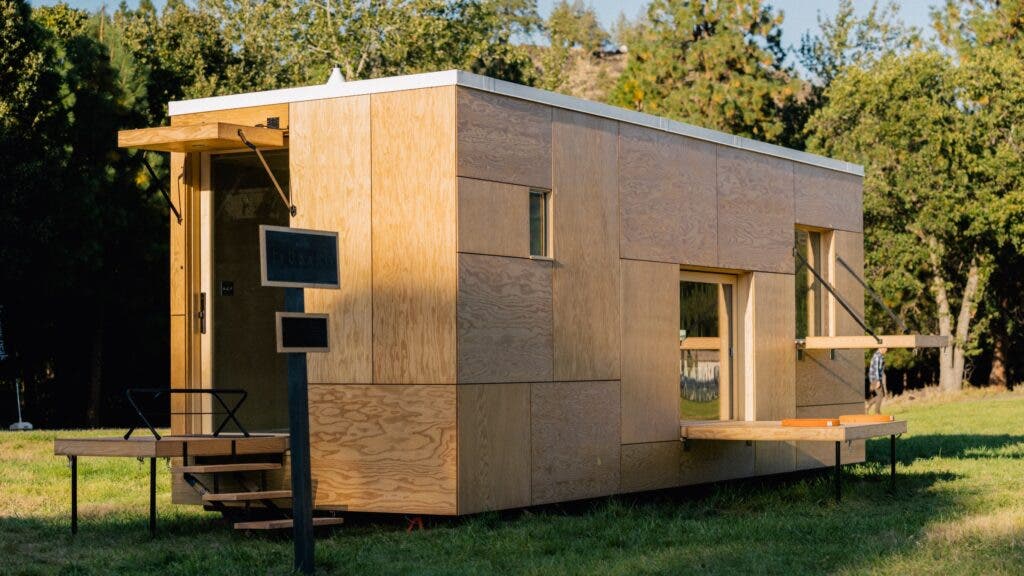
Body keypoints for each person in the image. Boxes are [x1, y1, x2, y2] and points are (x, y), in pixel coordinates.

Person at [866, 347, 887, 414]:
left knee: (881, 395)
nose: (886, 350)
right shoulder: (877, 356)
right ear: (881, 348)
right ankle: (877, 412)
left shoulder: (880, 356)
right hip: (875, 378)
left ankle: (868, 405)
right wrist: (878, 381)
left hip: (875, 378)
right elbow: (876, 370)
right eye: (886, 348)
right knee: (880, 395)